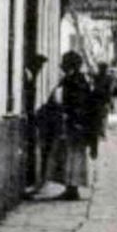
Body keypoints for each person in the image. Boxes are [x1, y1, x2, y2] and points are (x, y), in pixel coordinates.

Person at [45, 51, 96, 200]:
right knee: (73, 156)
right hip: (77, 125)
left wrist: (69, 115)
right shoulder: (79, 80)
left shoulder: (73, 81)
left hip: (73, 125)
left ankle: (72, 189)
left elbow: (76, 103)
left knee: (72, 156)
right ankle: (71, 187)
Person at [22, 53, 49, 192]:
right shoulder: (27, 74)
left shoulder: (32, 74)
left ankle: (31, 182)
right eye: (39, 65)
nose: (40, 69)